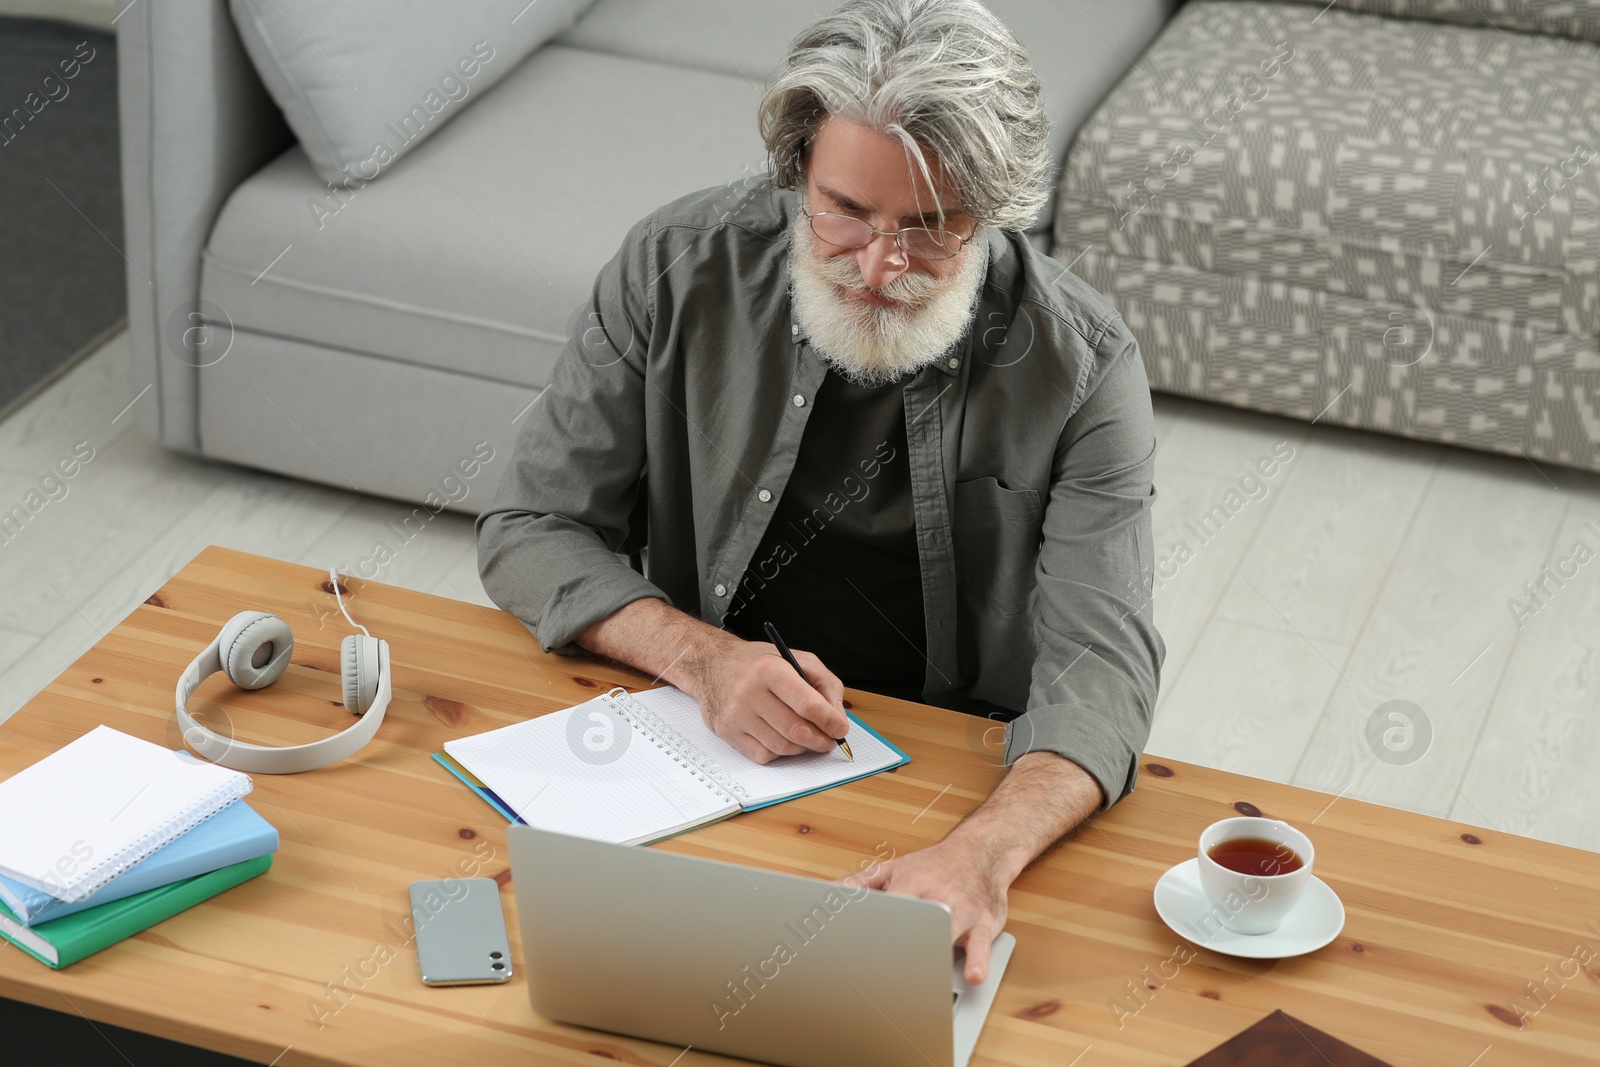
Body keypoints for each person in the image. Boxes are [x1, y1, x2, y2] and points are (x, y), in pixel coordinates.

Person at [477, 0, 1165, 984]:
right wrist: (705, 660)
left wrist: (978, 853)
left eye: (929, 228)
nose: (878, 267)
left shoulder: (1083, 363)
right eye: (843, 209)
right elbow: (529, 523)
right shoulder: (673, 266)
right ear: (797, 170)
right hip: (697, 740)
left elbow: (1101, 671)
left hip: (960, 786)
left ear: (995, 209)